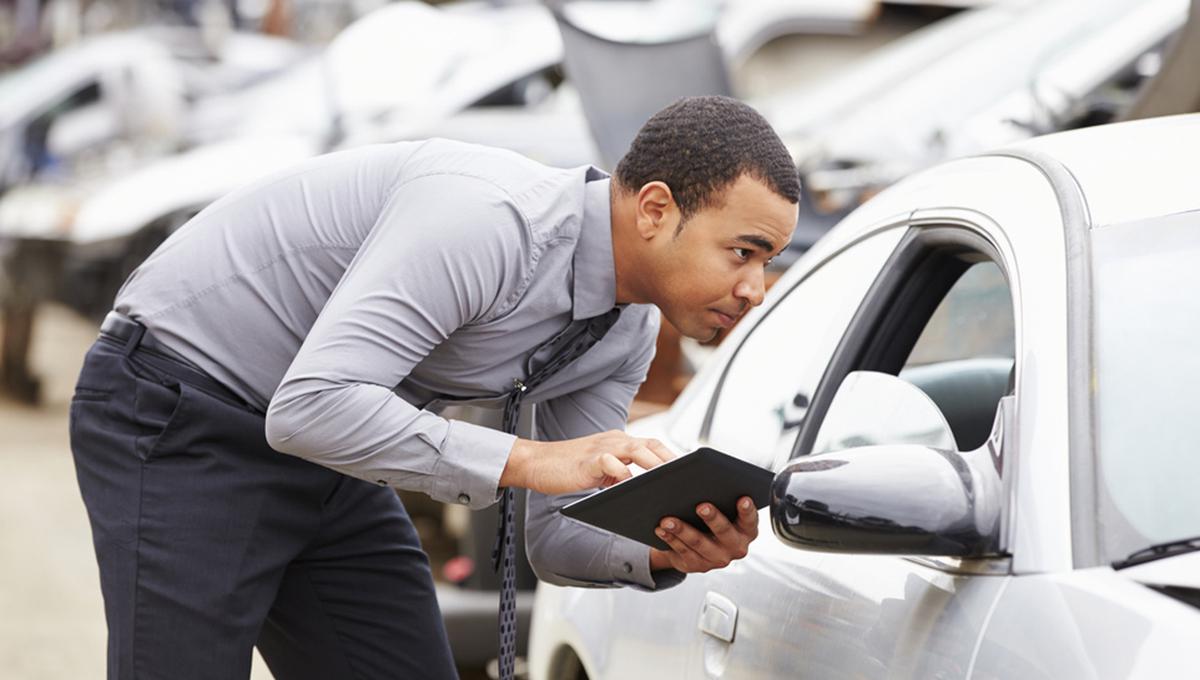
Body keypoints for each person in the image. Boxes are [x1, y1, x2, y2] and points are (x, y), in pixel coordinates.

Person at [68, 95, 800, 679]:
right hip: (180, 406)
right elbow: (309, 407)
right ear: (655, 209)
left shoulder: (624, 330)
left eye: (767, 262)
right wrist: (534, 460)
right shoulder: (488, 222)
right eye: (743, 253)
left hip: (335, 448)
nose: (755, 288)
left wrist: (661, 548)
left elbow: (553, 535)